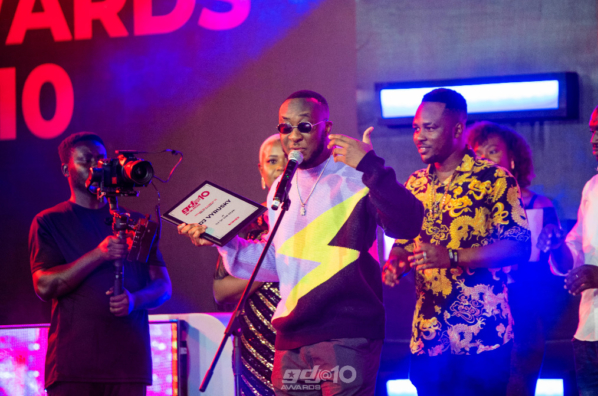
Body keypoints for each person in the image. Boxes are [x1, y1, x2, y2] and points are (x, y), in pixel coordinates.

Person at [179, 90, 424, 395]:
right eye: (285, 127)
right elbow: (278, 262)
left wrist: (372, 167)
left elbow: (408, 224)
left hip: (345, 334)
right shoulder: (280, 189)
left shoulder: (355, 175)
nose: (294, 136)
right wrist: (224, 241)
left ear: (326, 128)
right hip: (291, 341)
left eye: (304, 126)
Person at [382, 88, 531, 396]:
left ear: (458, 129)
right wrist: (396, 263)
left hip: (483, 340)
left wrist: (451, 256)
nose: (420, 137)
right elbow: (403, 244)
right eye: (416, 128)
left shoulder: (495, 179)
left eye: (430, 128)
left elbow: (518, 246)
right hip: (428, 338)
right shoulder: (415, 183)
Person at [29, 132, 172, 396]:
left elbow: (163, 286)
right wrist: (98, 254)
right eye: (86, 160)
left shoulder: (135, 221)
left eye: (101, 159)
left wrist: (134, 300)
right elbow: (44, 286)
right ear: (66, 169)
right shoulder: (48, 221)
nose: (96, 166)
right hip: (73, 367)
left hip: (129, 365)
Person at [538, 95, 598, 395]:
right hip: (589, 333)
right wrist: (556, 246)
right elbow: (576, 254)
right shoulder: (592, 186)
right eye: (593, 131)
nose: (594, 139)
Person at [468, 121, 562, 396]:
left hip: (523, 310)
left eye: (493, 151)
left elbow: (557, 262)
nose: (484, 158)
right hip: (477, 312)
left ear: (513, 158)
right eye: (477, 152)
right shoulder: (465, 208)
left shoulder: (538, 205)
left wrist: (553, 240)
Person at [213, 134, 285, 396]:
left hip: (305, 338)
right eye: (272, 161)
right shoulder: (245, 222)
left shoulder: (309, 217)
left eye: (287, 160)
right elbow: (220, 291)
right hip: (256, 344)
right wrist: (277, 266)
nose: (280, 167)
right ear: (261, 170)